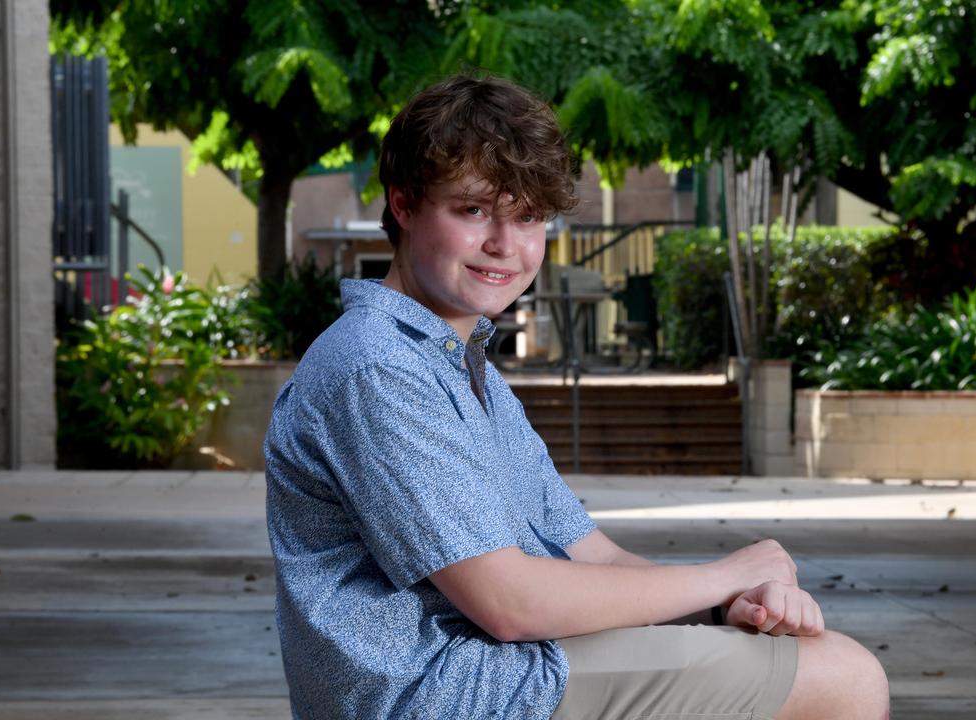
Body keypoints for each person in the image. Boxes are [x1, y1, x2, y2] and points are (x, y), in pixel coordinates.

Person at [265, 72, 889, 720]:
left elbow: (591, 554)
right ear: (403, 205)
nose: (506, 245)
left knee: (791, 653)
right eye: (474, 209)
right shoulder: (377, 368)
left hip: (494, 671)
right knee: (842, 677)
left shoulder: (462, 365)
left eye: (529, 216)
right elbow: (511, 604)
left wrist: (721, 606)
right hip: (446, 693)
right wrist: (728, 573)